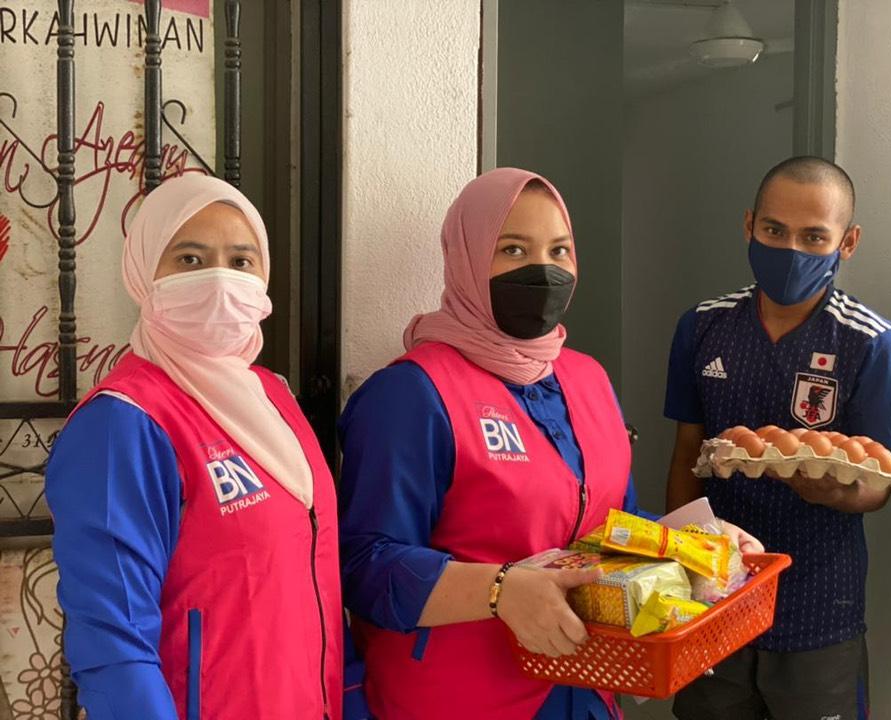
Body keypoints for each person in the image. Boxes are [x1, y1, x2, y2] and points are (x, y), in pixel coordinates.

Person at [338, 167, 761, 720]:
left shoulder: (587, 379)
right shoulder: (412, 394)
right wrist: (499, 591)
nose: (543, 269)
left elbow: (612, 528)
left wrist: (697, 541)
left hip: (585, 682)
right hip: (462, 695)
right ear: (467, 259)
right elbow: (365, 566)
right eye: (513, 249)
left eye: (559, 251)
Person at [46, 175, 366, 720]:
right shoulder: (123, 422)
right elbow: (113, 646)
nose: (220, 279)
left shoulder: (272, 397)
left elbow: (319, 581)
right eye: (190, 260)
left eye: (241, 261)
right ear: (145, 274)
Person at [663, 156, 891, 720]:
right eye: (775, 230)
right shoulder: (703, 326)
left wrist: (829, 489)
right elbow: (685, 454)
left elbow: (876, 485)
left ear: (848, 242)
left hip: (819, 608)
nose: (791, 250)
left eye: (813, 237)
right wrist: (683, 563)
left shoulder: (874, 346)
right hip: (716, 597)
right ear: (749, 225)